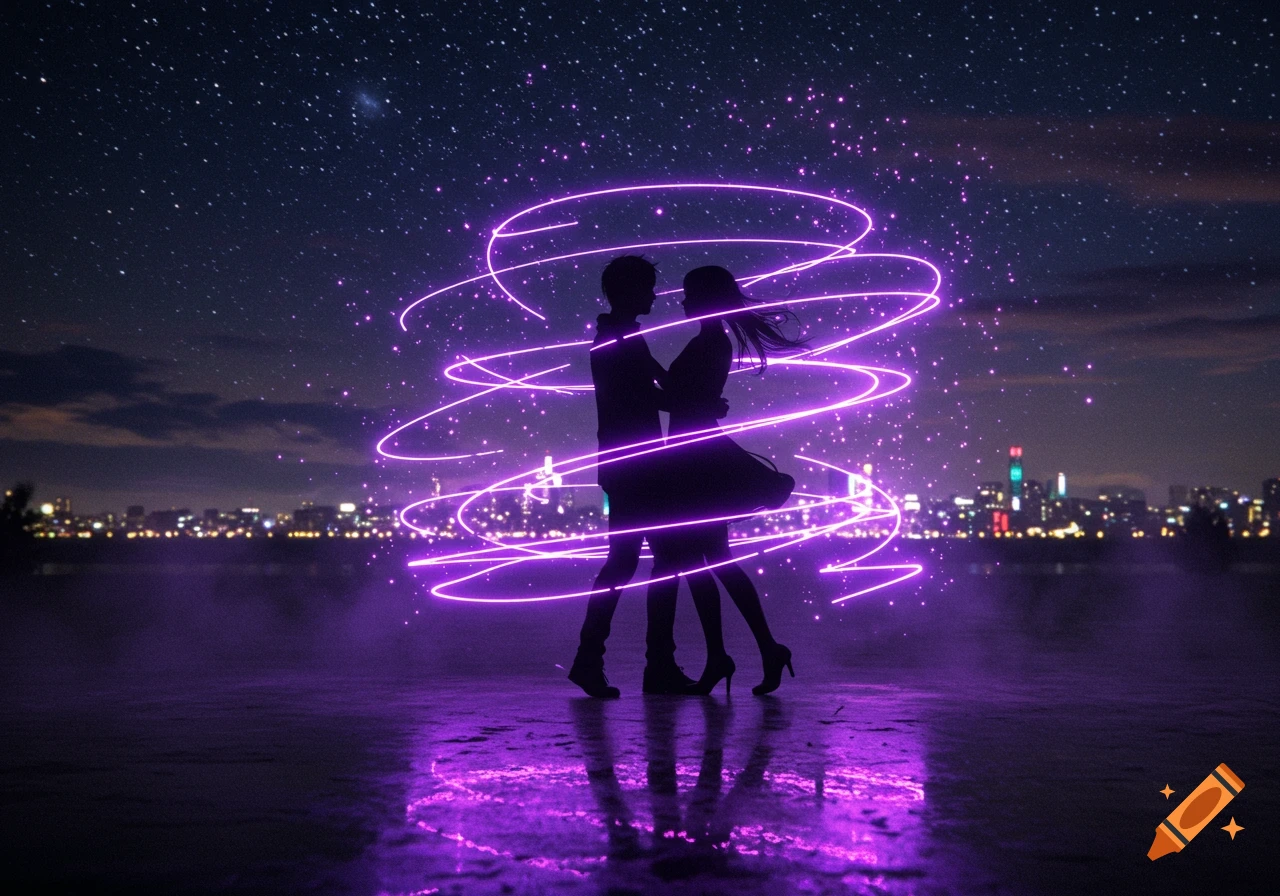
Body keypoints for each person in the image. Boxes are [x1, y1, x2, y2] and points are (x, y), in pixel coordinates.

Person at [653, 265, 805, 696]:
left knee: (703, 558)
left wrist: (642, 382)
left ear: (706, 299)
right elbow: (691, 397)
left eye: (689, 294)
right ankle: (752, 650)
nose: (682, 301)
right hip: (691, 457)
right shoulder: (707, 341)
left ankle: (733, 653)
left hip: (695, 460)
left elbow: (688, 401)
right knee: (710, 557)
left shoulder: (711, 343)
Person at [568, 255, 703, 698]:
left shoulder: (620, 335)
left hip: (629, 464)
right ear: (627, 291)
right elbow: (645, 394)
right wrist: (695, 405)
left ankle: (600, 661)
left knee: (631, 562)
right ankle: (650, 665)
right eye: (647, 287)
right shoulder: (616, 338)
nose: (653, 295)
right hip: (636, 465)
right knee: (658, 562)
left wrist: (686, 401)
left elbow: (649, 390)